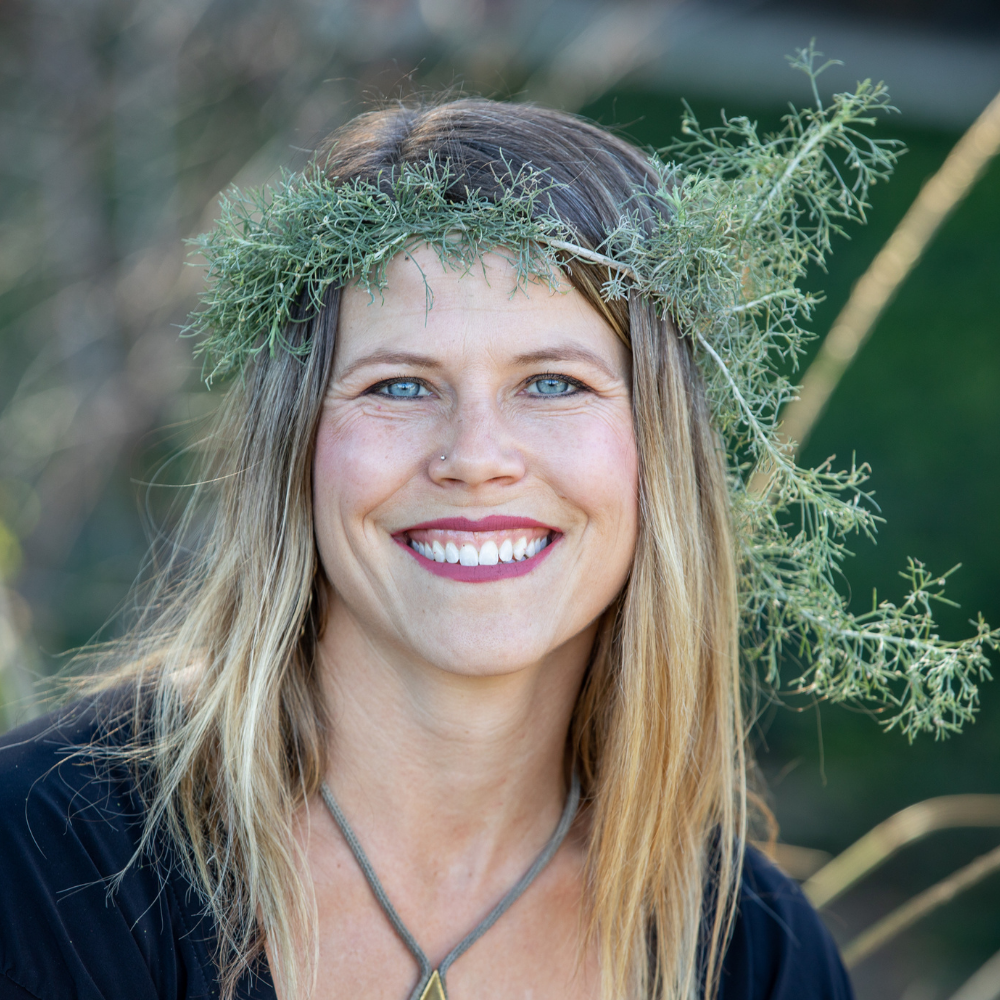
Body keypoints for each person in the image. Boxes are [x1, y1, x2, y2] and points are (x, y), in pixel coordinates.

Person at [0, 99, 854, 1000]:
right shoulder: (42, 867)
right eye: (401, 384)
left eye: (554, 382)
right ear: (296, 443)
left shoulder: (754, 959)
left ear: (661, 450)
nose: (476, 458)